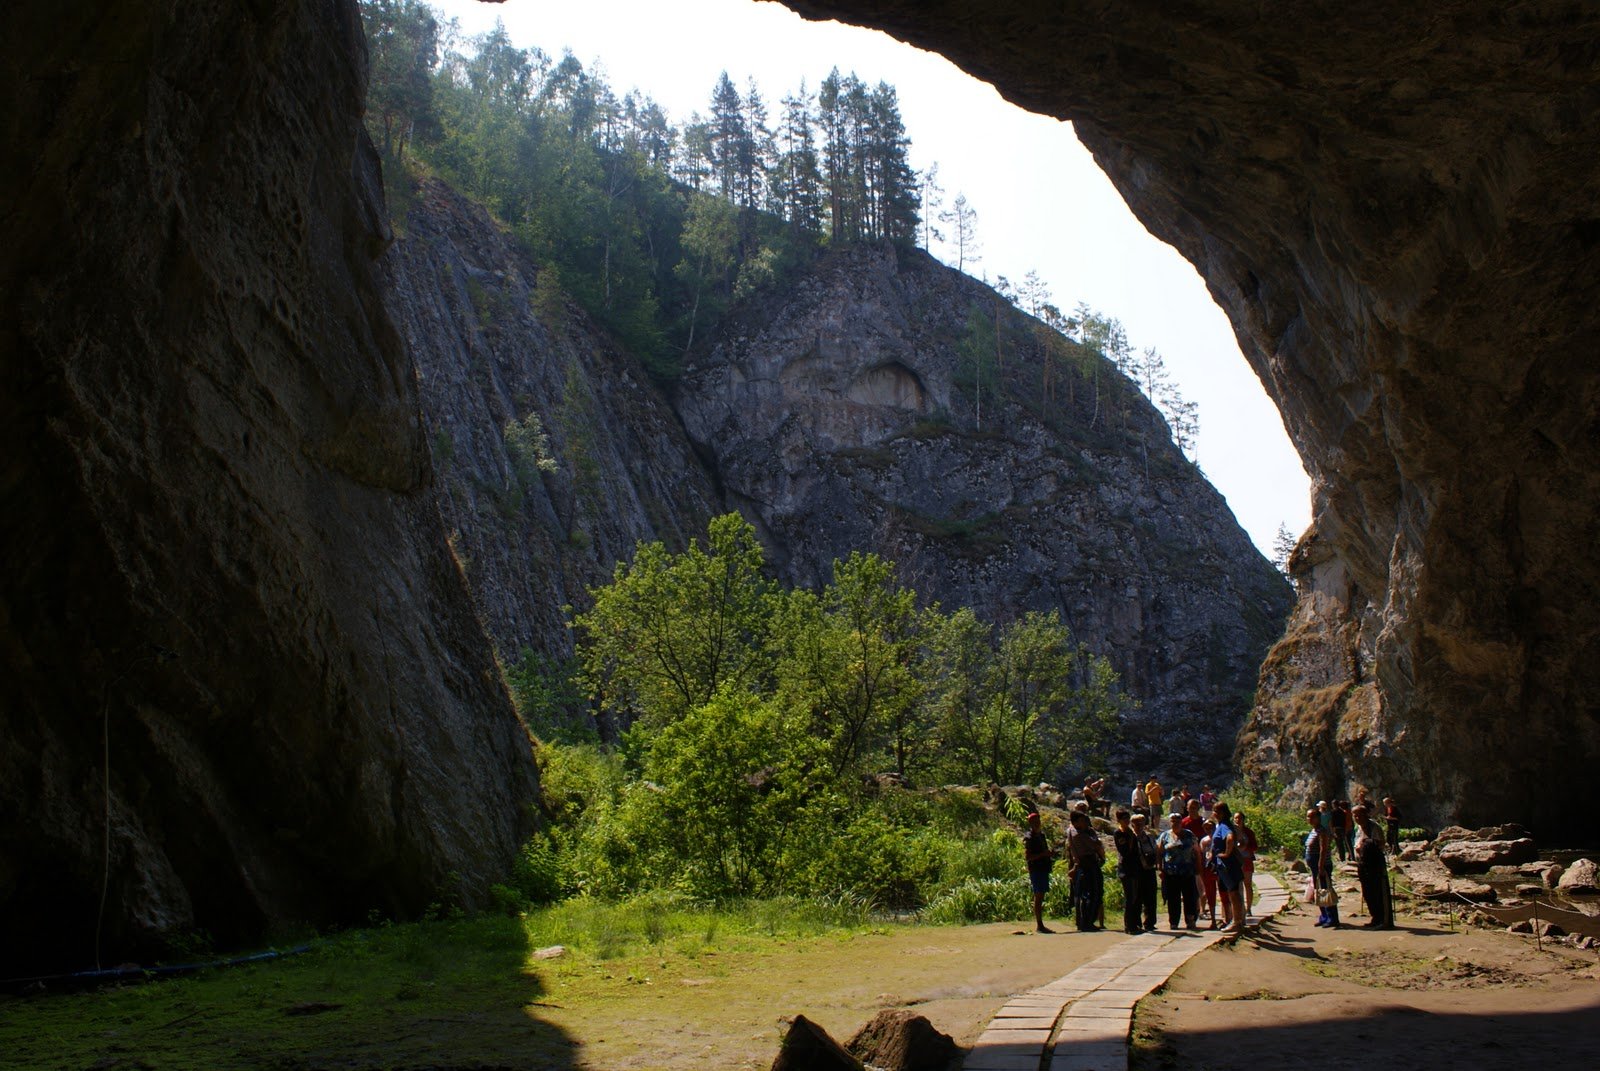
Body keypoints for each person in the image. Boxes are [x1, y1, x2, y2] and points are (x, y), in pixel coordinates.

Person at [1157, 811, 1200, 929]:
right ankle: (1174, 922)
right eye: (1173, 821)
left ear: (1182, 822)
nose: (1175, 823)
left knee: (1190, 897)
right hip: (1171, 873)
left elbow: (1197, 852)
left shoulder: (1189, 835)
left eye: (1178, 821)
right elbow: (1159, 853)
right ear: (1169, 823)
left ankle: (1190, 920)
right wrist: (1160, 869)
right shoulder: (1164, 836)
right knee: (1173, 898)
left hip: (1188, 872)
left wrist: (1199, 867)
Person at [1352, 804, 1393, 928]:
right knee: (1368, 892)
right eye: (1355, 815)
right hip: (1362, 863)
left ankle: (1384, 921)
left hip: (1374, 863)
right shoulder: (1358, 828)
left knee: (1379, 891)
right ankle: (1375, 917)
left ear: (1366, 815)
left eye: (1359, 815)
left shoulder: (1374, 827)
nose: (1357, 817)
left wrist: (1365, 845)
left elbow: (1380, 843)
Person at [1065, 809, 1105, 931]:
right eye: (1082, 820)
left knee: (1083, 893)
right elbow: (1096, 845)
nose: (1085, 823)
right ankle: (1087, 921)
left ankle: (1083, 921)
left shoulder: (1071, 830)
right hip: (1088, 863)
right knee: (1093, 893)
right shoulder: (1080, 835)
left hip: (1082, 864)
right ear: (1076, 822)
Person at [1210, 802, 1246, 934]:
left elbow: (1230, 838)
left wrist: (1226, 853)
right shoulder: (1222, 825)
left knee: (1233, 892)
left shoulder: (1224, 826)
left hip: (1227, 864)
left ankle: (1237, 922)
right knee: (1233, 891)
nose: (1214, 814)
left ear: (1222, 813)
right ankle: (1238, 920)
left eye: (1216, 811)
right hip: (1226, 864)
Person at [1023, 812, 1056, 933]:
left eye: (1038, 821)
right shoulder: (1029, 838)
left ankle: (1040, 924)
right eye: (1034, 821)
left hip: (1043, 868)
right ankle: (1039, 924)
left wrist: (1049, 854)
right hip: (1036, 869)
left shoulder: (1041, 836)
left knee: (1041, 895)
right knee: (1038, 896)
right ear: (1030, 823)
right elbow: (1028, 857)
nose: (1037, 823)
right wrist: (1043, 854)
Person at [1306, 806, 1339, 927]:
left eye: (1311, 817)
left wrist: (1321, 866)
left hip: (1322, 865)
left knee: (1326, 890)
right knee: (1318, 890)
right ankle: (1324, 916)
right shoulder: (1314, 830)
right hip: (1314, 865)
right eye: (1308, 817)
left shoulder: (1322, 831)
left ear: (1318, 818)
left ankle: (1332, 918)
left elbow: (1323, 849)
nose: (1309, 819)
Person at [1129, 813, 1160, 931]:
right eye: (1136, 823)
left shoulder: (1149, 836)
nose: (1139, 825)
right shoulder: (1130, 837)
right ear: (1132, 824)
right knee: (1137, 897)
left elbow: (1155, 850)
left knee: (1151, 897)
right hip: (1137, 870)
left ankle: (1150, 922)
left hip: (1149, 869)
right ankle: (1137, 922)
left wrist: (1157, 864)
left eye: (1141, 823)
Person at [1234, 810, 1259, 918]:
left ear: (1243, 820)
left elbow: (1255, 846)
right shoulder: (1231, 832)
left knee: (1247, 884)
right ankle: (1240, 908)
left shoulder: (1249, 832)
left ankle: (1248, 908)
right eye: (1236, 818)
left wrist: (1245, 847)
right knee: (1236, 886)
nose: (1238, 820)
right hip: (1235, 861)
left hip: (1247, 859)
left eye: (1240, 818)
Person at [1198, 819, 1219, 927]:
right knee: (1210, 894)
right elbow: (1201, 857)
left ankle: (1227, 917)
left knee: (1224, 893)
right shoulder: (1203, 841)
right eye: (1206, 827)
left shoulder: (1219, 838)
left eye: (1210, 827)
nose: (1208, 829)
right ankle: (1213, 920)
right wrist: (1201, 870)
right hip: (1207, 870)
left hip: (1219, 869)